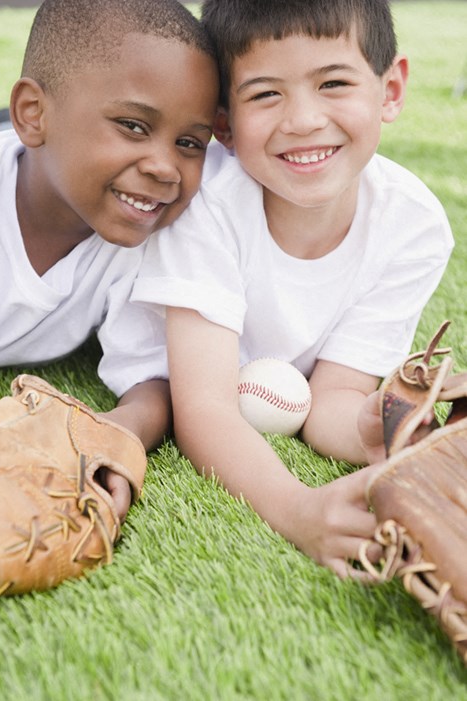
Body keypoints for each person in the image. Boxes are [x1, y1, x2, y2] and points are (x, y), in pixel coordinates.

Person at [126, 0, 454, 578]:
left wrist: (379, 423)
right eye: (265, 94)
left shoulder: (414, 228)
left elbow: (330, 400)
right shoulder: (205, 207)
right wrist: (298, 508)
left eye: (333, 82)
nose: (303, 119)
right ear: (223, 122)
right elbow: (202, 407)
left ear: (391, 89)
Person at [0, 0, 218, 519]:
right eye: (132, 125)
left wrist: (110, 439)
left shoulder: (146, 226)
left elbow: (152, 384)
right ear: (33, 114)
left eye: (190, 142)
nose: (165, 167)